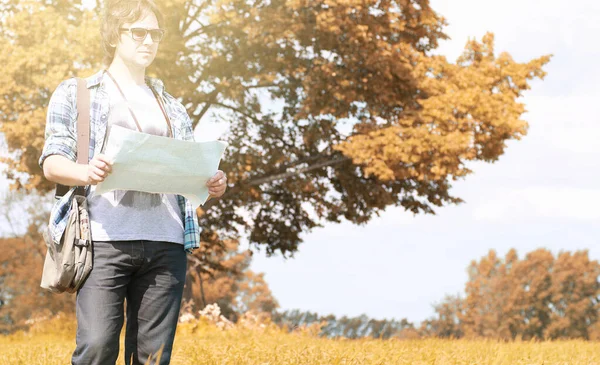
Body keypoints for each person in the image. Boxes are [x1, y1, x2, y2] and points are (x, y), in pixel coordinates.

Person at [38, 1, 227, 364]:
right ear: (114, 35)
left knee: (153, 357)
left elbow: (186, 169)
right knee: (96, 347)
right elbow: (52, 162)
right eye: (137, 32)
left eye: (154, 33)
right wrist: (85, 172)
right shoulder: (78, 92)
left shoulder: (172, 105)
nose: (148, 41)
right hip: (104, 240)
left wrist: (212, 180)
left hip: (166, 241)